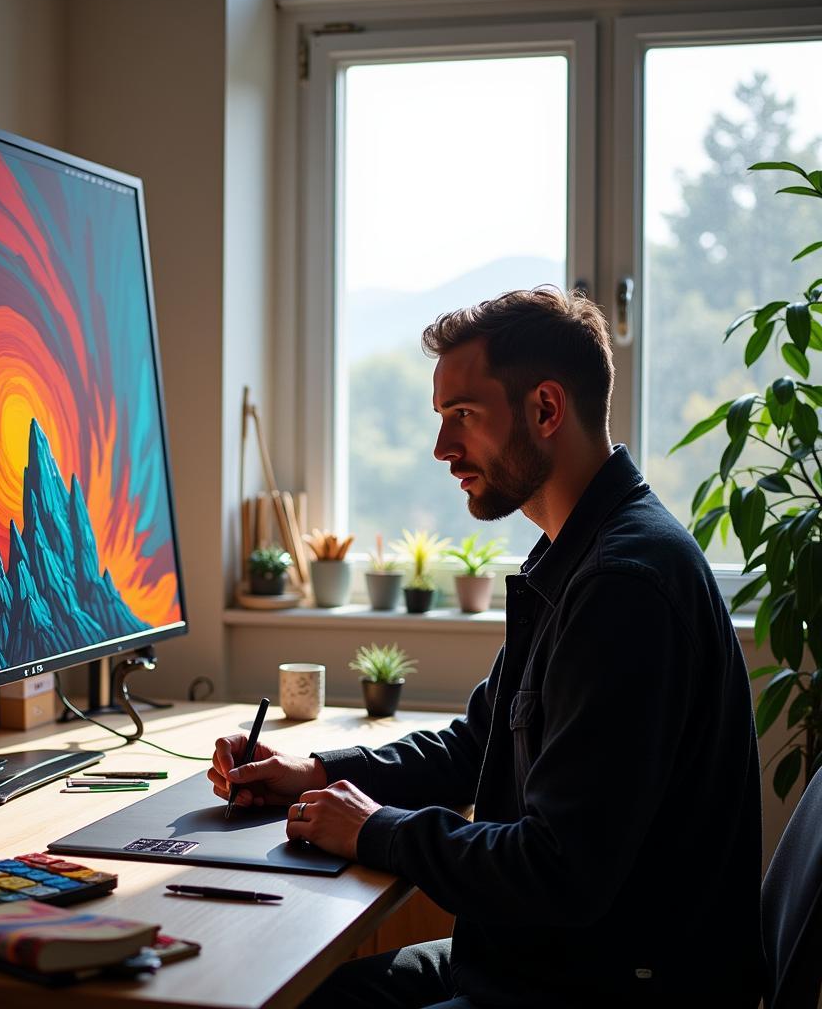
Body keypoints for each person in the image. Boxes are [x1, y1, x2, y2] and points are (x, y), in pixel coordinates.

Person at [209, 287, 764, 1008]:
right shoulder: (579, 555)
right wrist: (310, 771)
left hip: (607, 987)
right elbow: (480, 746)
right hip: (546, 961)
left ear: (544, 409)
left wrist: (376, 831)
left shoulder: (622, 585)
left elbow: (559, 869)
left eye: (462, 416)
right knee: (317, 992)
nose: (442, 449)